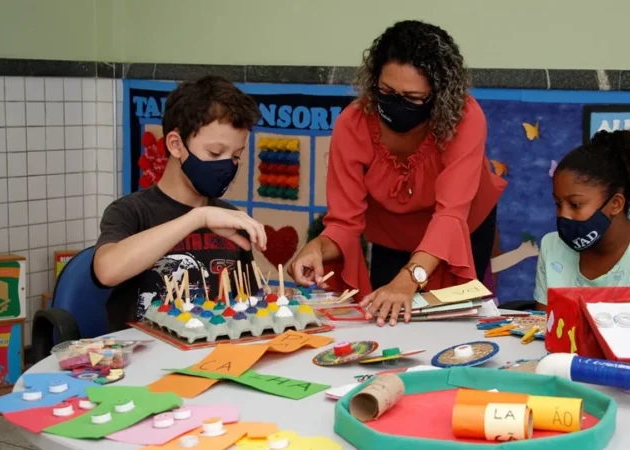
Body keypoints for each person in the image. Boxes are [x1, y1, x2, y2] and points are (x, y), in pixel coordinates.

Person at [289, 20, 506, 327]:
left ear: (440, 96)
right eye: (386, 92)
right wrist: (317, 248)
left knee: (449, 323)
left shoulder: (465, 118)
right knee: (386, 315)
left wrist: (409, 279)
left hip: (459, 229)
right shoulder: (352, 124)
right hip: (391, 234)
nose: (395, 105)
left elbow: (450, 214)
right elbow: (344, 223)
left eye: (413, 98)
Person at [93, 76, 267, 331]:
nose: (227, 165)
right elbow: (107, 271)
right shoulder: (131, 211)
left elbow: (247, 305)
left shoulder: (230, 219)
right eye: (215, 153)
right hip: (145, 364)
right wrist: (197, 218)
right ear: (176, 145)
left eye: (236, 156)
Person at [534, 130, 630, 310]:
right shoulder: (552, 246)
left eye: (575, 204)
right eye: (557, 204)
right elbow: (544, 328)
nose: (563, 215)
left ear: (616, 204)